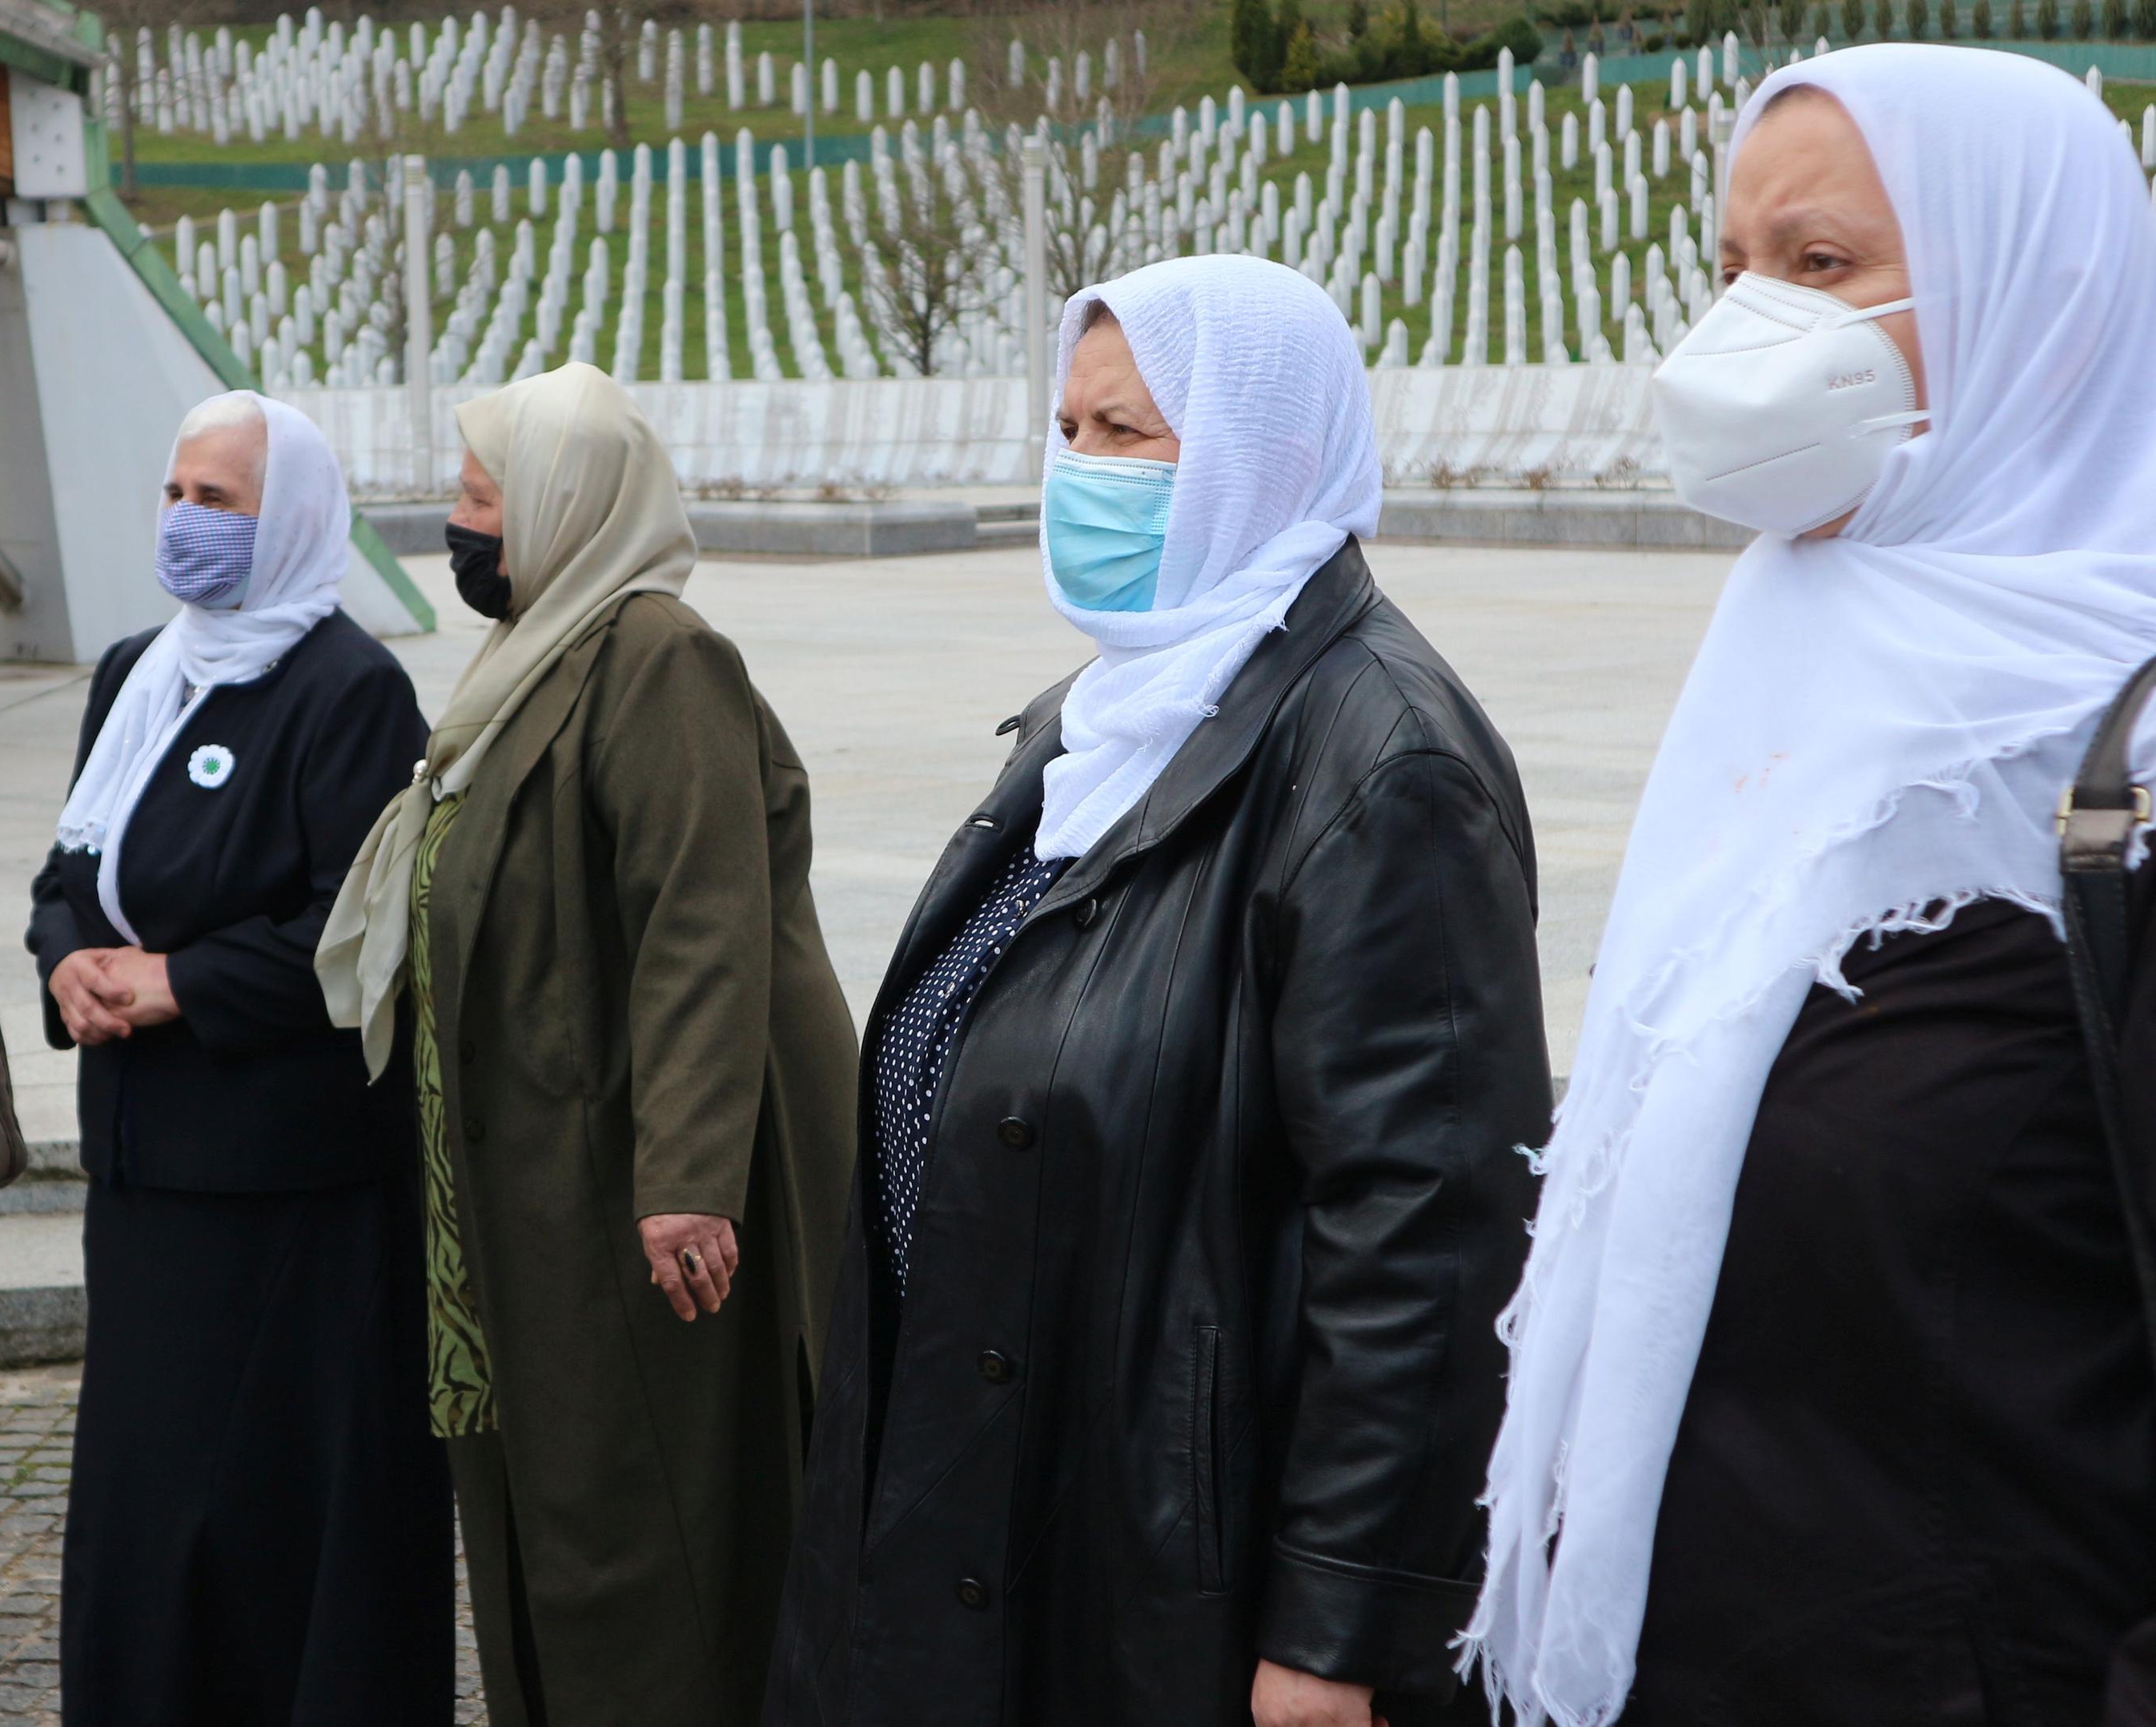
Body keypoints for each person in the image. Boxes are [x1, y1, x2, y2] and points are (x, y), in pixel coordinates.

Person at [1465, 46, 2156, 1727]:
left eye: (1822, 263)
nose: (1746, 325)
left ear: (2032, 301)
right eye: (1733, 268)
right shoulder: (1778, 679)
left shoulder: (2129, 761)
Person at [761, 257, 1547, 1727]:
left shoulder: (1387, 760)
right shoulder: (1104, 719)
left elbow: (1427, 1243)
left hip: (1177, 1579)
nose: (1081, 474)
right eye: (1069, 430)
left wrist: (1337, 1628)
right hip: (1004, 1504)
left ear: (1271, 455)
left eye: (1129, 435)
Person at [318, 362, 857, 1727]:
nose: (459, 521)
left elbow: (703, 924)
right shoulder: (527, 665)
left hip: (636, 1205)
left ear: (563, 508)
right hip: (523, 1194)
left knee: (647, 1536)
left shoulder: (657, 658)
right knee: (544, 1517)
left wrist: (684, 1175)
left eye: (479, 494)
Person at [30, 392, 448, 1724]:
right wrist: (67, 962)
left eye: (222, 501)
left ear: (296, 520)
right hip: (149, 1171)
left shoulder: (350, 690)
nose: (187, 523)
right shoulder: (140, 670)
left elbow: (361, 923)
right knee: (146, 1501)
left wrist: (176, 981)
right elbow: (71, 867)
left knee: (273, 1506)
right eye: (177, 494)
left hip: (286, 1187)